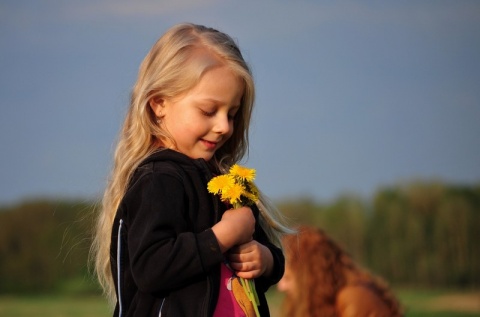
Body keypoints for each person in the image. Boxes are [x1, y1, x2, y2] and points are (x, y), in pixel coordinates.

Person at [91, 23, 291, 317]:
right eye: (209, 111)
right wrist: (220, 237)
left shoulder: (225, 182)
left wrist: (266, 261)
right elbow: (152, 267)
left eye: (232, 114)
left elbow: (264, 253)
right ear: (159, 104)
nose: (224, 126)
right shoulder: (158, 179)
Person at [278, 226, 403, 317]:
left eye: (288, 278)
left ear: (310, 277)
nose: (281, 286)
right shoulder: (319, 302)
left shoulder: (353, 300)